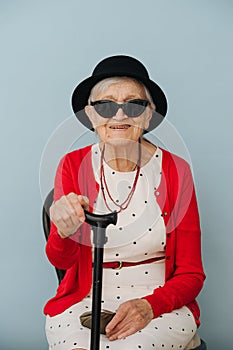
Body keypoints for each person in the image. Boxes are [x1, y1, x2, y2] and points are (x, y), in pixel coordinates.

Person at [44, 55, 206, 350]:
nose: (119, 116)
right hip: (86, 296)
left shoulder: (176, 170)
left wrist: (150, 306)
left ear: (149, 116)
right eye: (105, 106)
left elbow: (191, 273)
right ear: (90, 115)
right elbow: (61, 260)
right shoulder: (71, 164)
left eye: (134, 105)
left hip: (159, 300)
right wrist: (63, 231)